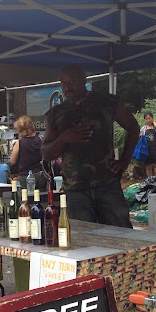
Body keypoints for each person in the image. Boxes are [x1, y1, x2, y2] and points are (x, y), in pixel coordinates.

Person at [42, 64, 139, 228]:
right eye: (63, 83)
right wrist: (64, 138)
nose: (67, 88)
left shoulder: (107, 102)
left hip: (107, 184)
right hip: (75, 190)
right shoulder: (56, 113)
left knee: (121, 235)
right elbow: (46, 154)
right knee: (83, 240)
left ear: (84, 80)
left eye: (72, 82)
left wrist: (124, 161)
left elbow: (133, 128)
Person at [10, 116, 47, 190]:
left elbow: (12, 161)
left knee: (25, 196)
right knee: (41, 195)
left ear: (20, 129)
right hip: (40, 175)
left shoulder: (19, 143)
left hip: (25, 176)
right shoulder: (40, 140)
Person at [140, 112, 156, 177]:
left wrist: (155, 123)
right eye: (146, 119)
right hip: (147, 151)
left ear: (152, 118)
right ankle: (150, 180)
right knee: (148, 167)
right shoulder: (143, 129)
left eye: (149, 118)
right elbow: (140, 139)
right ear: (144, 120)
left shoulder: (155, 127)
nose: (148, 120)